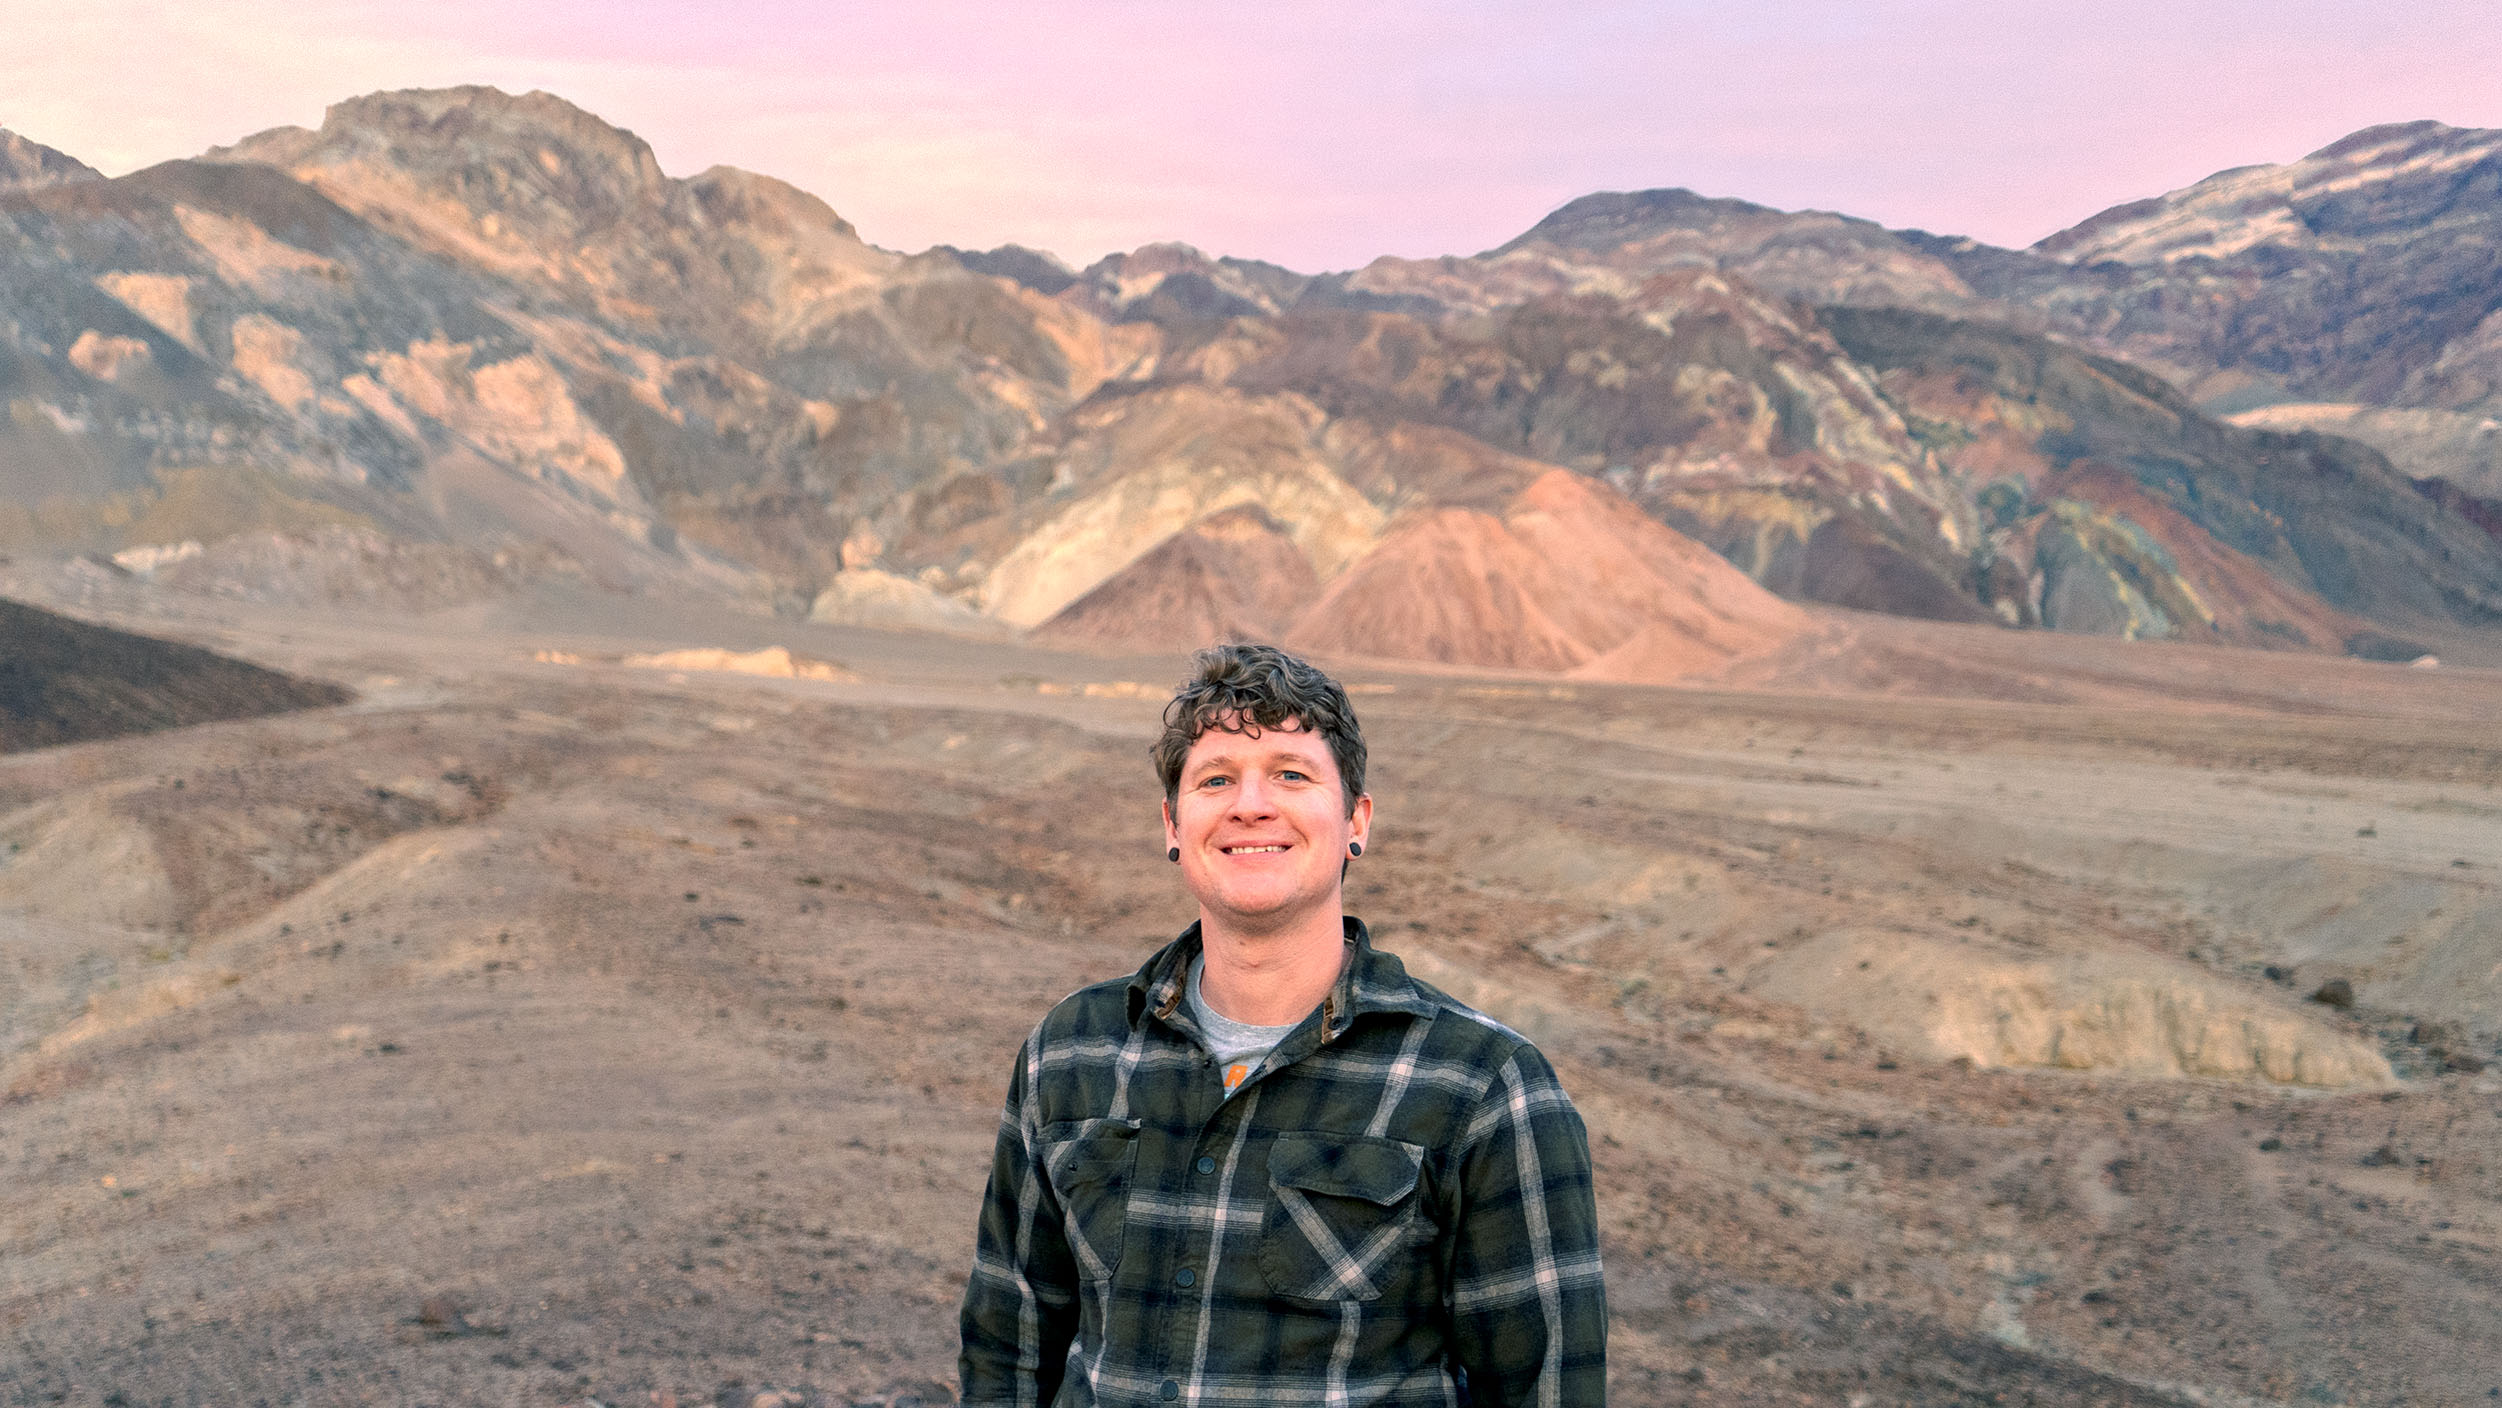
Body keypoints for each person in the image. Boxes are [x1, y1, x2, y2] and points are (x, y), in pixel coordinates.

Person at [958, 643, 1606, 1407]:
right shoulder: (1072, 1053)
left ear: (1355, 819)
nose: (1251, 805)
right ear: (1173, 824)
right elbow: (1007, 1351)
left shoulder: (1481, 1086)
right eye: (1216, 780)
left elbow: (1547, 1388)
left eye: (1292, 775)